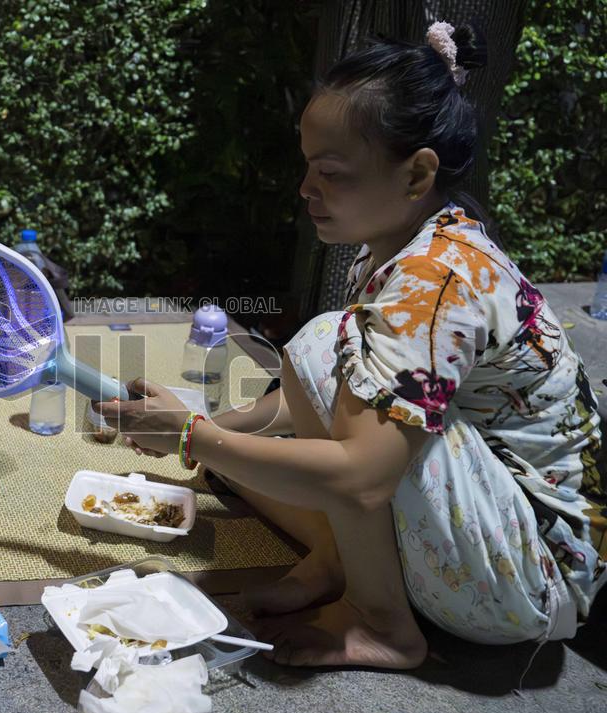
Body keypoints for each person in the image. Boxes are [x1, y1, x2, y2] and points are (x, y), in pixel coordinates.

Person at [95, 22, 603, 669]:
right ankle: (338, 564)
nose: (306, 189)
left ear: (418, 173)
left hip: (533, 578)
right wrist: (209, 429)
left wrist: (195, 436)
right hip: (503, 548)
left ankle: (382, 621)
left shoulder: (434, 278)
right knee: (300, 382)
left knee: (319, 350)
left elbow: (364, 476)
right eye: (307, 166)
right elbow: (326, 392)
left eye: (330, 172)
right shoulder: (416, 243)